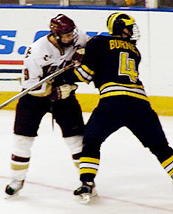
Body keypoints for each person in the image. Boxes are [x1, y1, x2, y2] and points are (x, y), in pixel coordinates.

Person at [72, 12, 173, 203]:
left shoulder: (98, 42)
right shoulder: (135, 51)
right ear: (121, 28)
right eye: (129, 27)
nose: (132, 31)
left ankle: (87, 183)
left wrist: (66, 75)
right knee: (161, 148)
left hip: (113, 104)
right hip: (141, 105)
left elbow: (85, 75)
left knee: (91, 141)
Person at [5, 14, 90, 197]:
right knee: (22, 141)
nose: (71, 37)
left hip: (65, 97)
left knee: (76, 140)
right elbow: (31, 87)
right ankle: (17, 179)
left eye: (71, 33)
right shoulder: (36, 51)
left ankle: (87, 182)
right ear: (56, 35)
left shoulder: (78, 38)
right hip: (34, 99)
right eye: (66, 35)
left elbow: (94, 50)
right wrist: (57, 92)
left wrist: (85, 55)